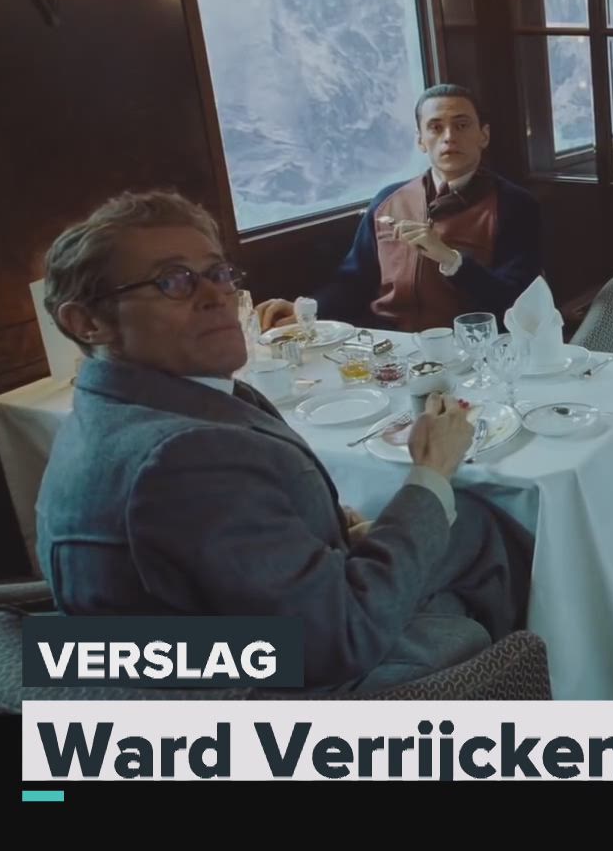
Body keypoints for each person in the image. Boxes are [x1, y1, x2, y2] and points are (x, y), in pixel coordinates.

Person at [35, 190, 531, 691]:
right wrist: (430, 471)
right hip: (271, 689)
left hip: (236, 631)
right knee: (467, 603)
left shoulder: (111, 405)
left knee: (474, 522)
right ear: (87, 323)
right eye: (172, 281)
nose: (216, 296)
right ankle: (517, 677)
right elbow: (340, 639)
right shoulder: (182, 458)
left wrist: (327, 533)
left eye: (218, 273)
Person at [255, 84, 541, 334]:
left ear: (484, 135)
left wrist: (451, 259)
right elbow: (353, 282)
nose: (449, 137)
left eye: (462, 125)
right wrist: (306, 310)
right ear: (420, 140)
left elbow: (514, 300)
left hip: (468, 346)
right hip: (387, 345)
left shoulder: (515, 205)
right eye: (435, 127)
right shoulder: (387, 200)